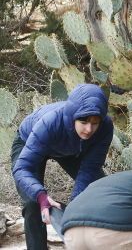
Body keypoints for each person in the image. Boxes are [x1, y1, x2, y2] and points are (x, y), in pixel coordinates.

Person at [10, 83, 113, 250]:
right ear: (73, 116)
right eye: (83, 121)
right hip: (29, 142)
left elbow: (90, 168)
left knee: (99, 188)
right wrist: (41, 196)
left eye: (95, 123)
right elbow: (22, 169)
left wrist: (75, 203)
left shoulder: (105, 127)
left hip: (69, 147)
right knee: (32, 203)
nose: (89, 129)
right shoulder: (49, 123)